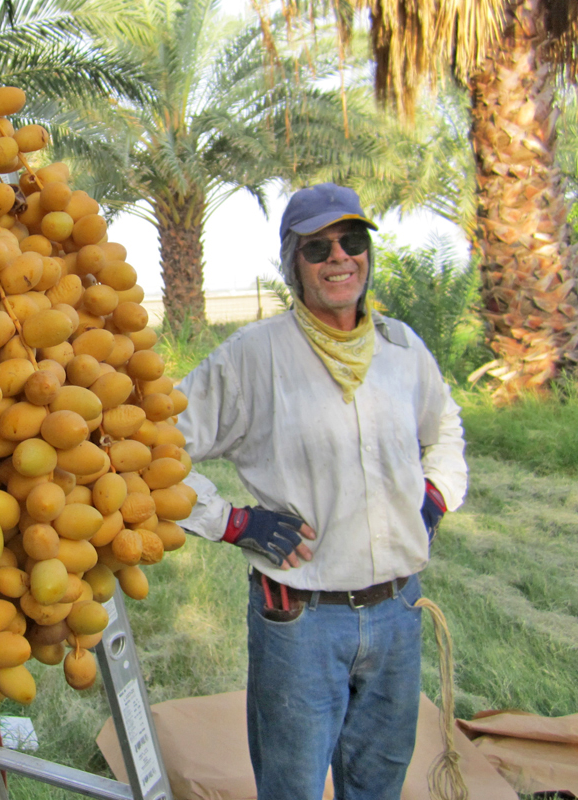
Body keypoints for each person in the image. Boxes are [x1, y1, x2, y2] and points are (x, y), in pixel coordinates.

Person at [175, 183, 468, 800]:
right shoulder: (254, 356)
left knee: (378, 784)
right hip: (301, 620)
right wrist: (231, 521)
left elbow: (443, 426)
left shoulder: (400, 347)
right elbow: (152, 446)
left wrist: (434, 496)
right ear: (294, 263)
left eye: (352, 241)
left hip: (398, 613)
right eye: (318, 247)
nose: (339, 258)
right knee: (294, 789)